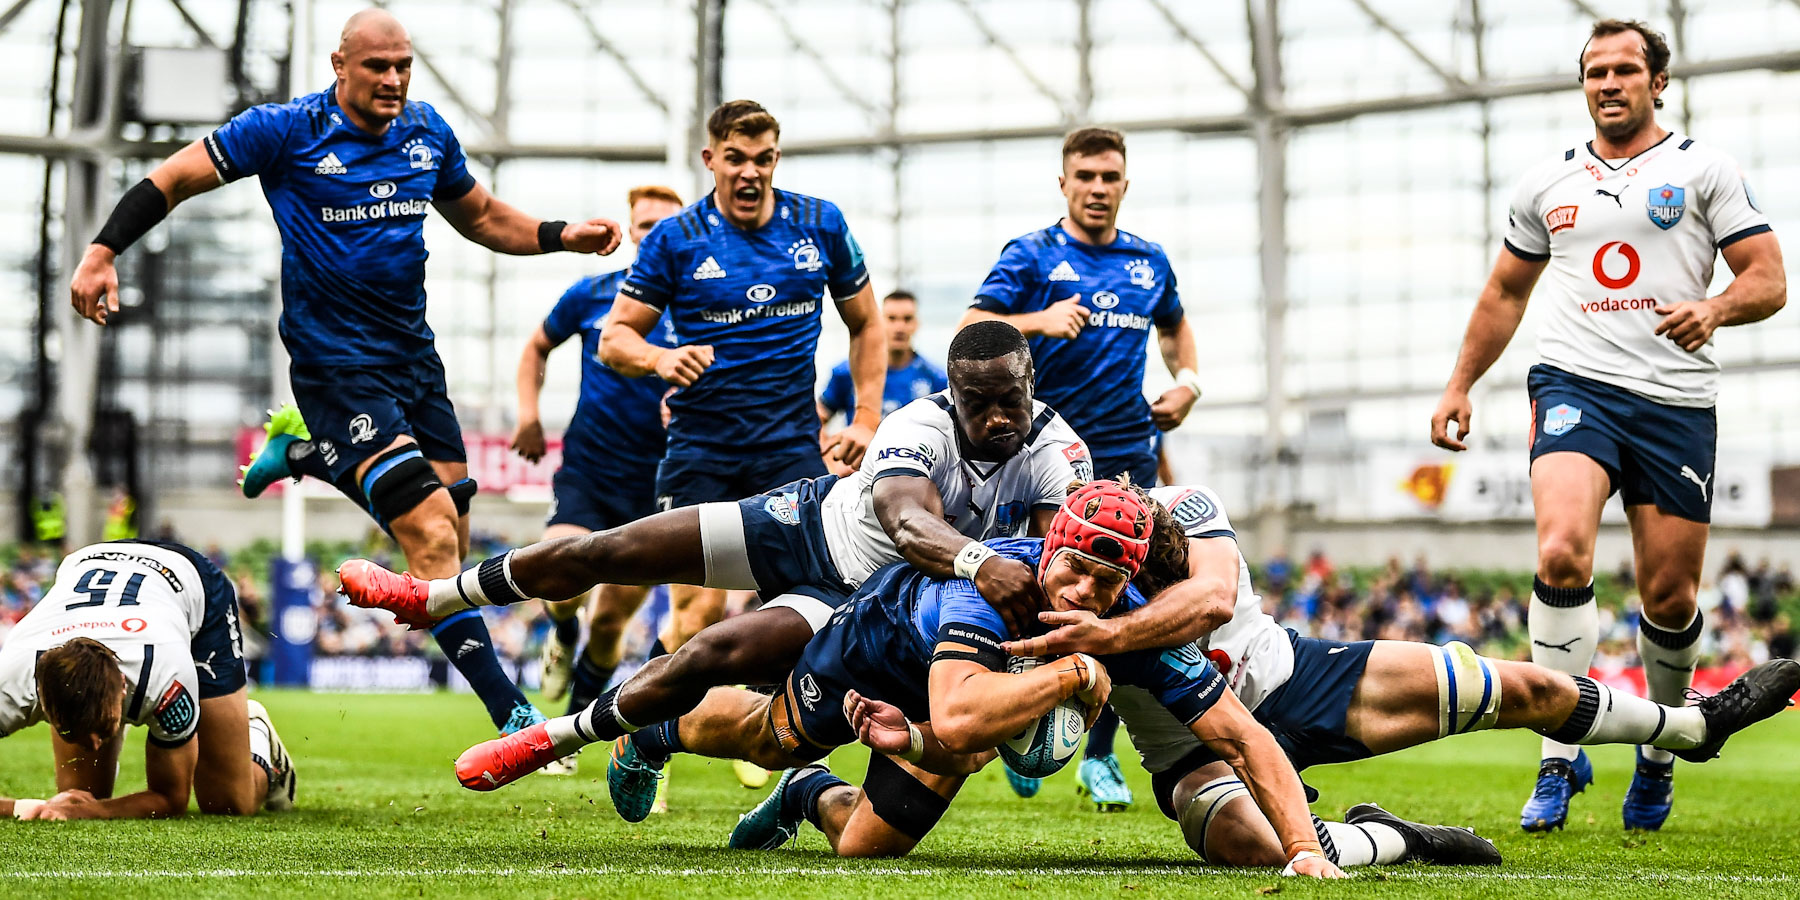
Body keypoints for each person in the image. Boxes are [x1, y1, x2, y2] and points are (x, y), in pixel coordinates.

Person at [67, 8, 624, 742]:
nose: (393, 80)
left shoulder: (427, 132)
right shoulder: (285, 130)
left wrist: (560, 236)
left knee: (451, 536)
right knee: (429, 536)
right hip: (336, 365)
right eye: (378, 67)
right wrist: (103, 250)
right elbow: (172, 179)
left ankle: (304, 457)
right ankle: (515, 716)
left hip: (414, 361)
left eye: (403, 67)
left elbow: (484, 217)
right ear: (340, 65)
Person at [340, 321, 1087, 819]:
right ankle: (435, 596)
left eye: (1011, 400)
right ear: (953, 394)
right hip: (806, 525)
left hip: (859, 607)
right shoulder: (917, 423)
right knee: (609, 549)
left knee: (706, 655)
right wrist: (980, 558)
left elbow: (1057, 564)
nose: (998, 417)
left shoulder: (1058, 453)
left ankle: (552, 740)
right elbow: (904, 518)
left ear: (1032, 384)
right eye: (979, 403)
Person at [1002, 481, 1800, 865]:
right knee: (1252, 847)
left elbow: (1211, 599)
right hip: (1193, 750)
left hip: (1293, 678)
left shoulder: (1189, 507)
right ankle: (1395, 839)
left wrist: (1105, 631)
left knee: (1517, 688)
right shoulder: (1050, 570)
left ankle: (1691, 726)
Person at [1428, 18, 1786, 832]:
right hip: (1572, 384)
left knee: (1669, 597)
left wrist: (1714, 308)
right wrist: (1459, 385)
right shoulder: (1545, 185)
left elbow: (1768, 279)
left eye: (1626, 70)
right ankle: (1559, 756)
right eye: (1596, 72)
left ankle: (1659, 755)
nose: (1609, 83)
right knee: (1558, 553)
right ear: (1583, 84)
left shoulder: (1704, 169)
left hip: (1675, 403)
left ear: (1659, 82)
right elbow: (1504, 295)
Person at [958, 126, 1201, 810]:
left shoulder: (1148, 261)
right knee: (1039, 593)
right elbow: (972, 324)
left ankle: (1099, 754)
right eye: (1085, 176)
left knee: (1129, 599)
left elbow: (1176, 327)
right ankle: (1021, 718)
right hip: (1044, 453)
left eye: (1110, 177)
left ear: (1126, 183)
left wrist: (1189, 382)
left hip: (1126, 451)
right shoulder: (1033, 255)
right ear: (1063, 183)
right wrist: (1038, 320)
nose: (1098, 188)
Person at [598, 100, 886, 674]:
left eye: (764, 158)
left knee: (805, 606)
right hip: (700, 447)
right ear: (711, 160)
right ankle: (651, 742)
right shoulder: (675, 240)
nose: (750, 172)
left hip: (789, 448)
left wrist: (866, 418)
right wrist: (659, 358)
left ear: (776, 159)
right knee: (697, 609)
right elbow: (615, 339)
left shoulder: (821, 224)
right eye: (735, 159)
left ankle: (776, 738)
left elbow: (867, 323)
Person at [511, 185, 683, 777]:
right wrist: (528, 413)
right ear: (634, 230)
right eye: (645, 223)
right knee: (560, 576)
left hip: (659, 483)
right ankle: (560, 630)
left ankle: (570, 733)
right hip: (589, 465)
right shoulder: (594, 295)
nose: (653, 231)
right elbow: (537, 343)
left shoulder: (697, 306)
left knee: (610, 622)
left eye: (666, 223)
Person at [0, 540, 297, 820]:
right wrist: (23, 807)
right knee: (81, 793)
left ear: (124, 687)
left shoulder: (165, 675)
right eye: (70, 729)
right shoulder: (10, 679)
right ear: (44, 699)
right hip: (94, 572)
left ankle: (256, 731)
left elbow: (171, 797)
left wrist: (94, 812)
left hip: (190, 584)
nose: (92, 744)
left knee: (227, 802)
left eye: (103, 726)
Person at [817, 290, 947, 425]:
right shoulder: (848, 372)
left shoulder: (935, 378)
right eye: (891, 318)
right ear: (879, 322)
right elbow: (819, 418)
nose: (899, 327)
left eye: (907, 319)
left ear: (916, 324)